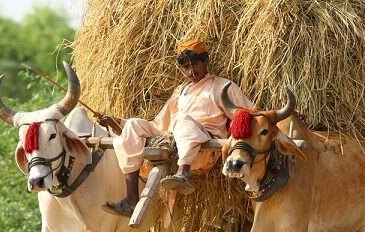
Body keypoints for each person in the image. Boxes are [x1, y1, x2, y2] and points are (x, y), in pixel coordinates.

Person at [102, 38, 253, 218]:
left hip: (204, 150)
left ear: (205, 62)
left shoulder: (222, 86)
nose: (191, 71)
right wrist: (119, 124)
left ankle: (183, 173)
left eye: (195, 64)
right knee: (134, 124)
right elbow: (159, 124)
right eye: (186, 67)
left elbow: (249, 113)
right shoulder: (180, 92)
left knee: (182, 120)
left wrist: (284, 118)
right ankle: (132, 198)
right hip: (173, 141)